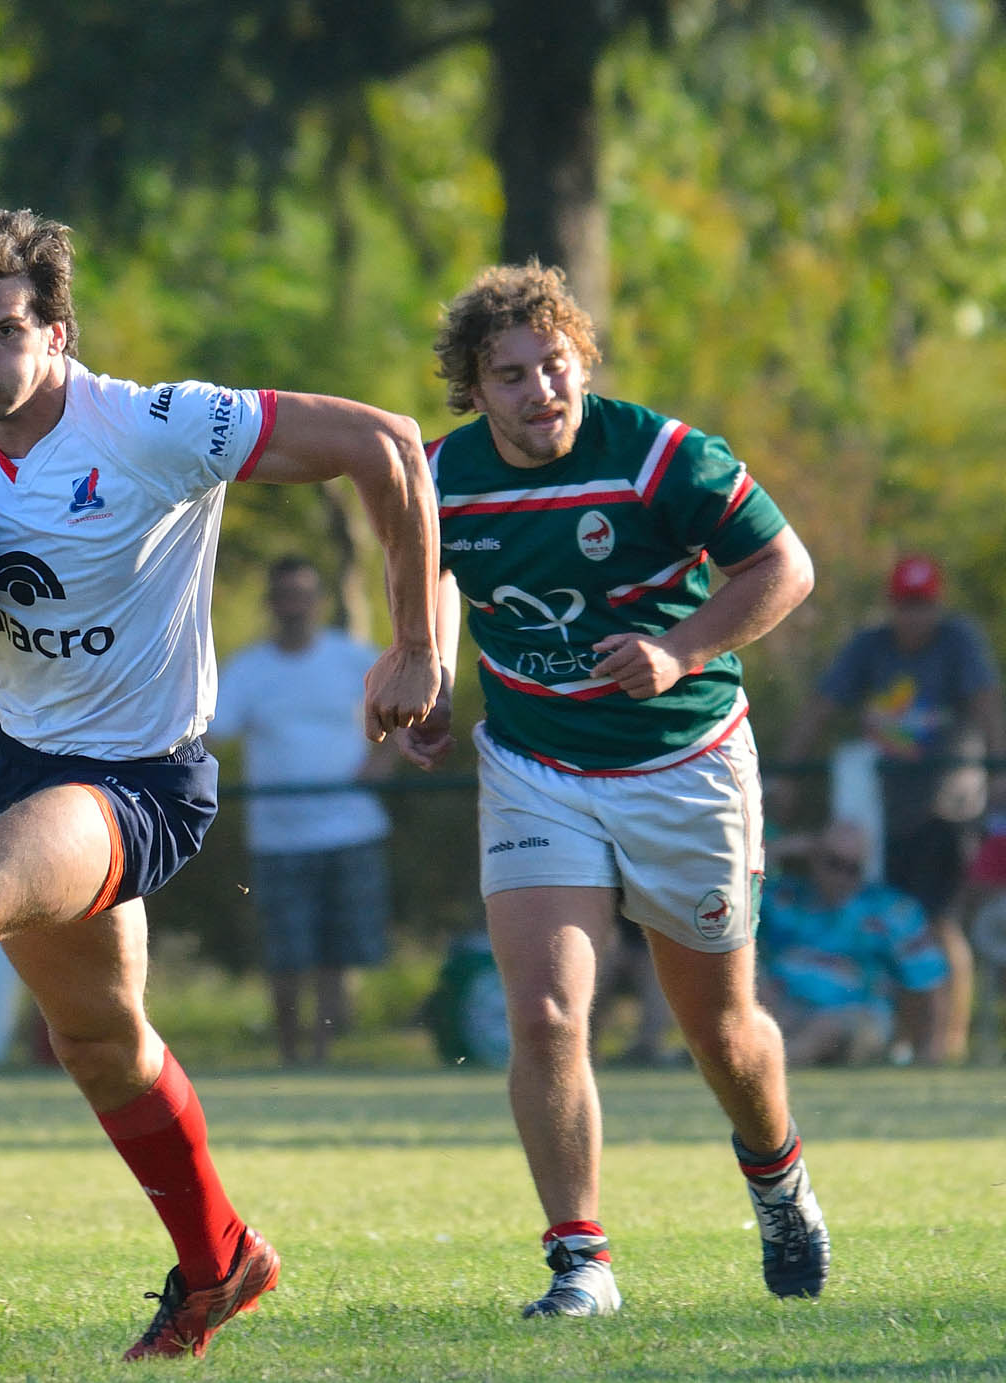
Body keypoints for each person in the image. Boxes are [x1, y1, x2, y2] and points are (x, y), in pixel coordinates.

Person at [0, 207, 439, 1359]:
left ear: (58, 332)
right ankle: (220, 1261)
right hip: (26, 774)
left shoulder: (151, 426)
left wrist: (417, 644)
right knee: (101, 1045)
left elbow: (388, 442)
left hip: (144, 782)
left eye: (6, 332)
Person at [396, 260, 826, 1317]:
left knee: (720, 1034)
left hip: (685, 764)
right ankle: (580, 1260)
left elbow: (784, 569)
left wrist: (679, 650)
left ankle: (778, 1182)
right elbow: (436, 576)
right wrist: (427, 670)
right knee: (546, 1014)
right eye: (510, 375)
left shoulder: (661, 456)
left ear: (583, 360)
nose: (539, 390)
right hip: (535, 765)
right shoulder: (442, 476)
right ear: (472, 388)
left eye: (554, 365)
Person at [775, 554, 1006, 1063]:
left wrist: (997, 772)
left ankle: (943, 1043)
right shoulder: (871, 645)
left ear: (937, 604)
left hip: (944, 806)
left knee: (936, 922)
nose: (913, 616)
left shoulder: (958, 641)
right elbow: (820, 706)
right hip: (882, 813)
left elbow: (987, 703)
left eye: (922, 605)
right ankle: (901, 1036)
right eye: (905, 605)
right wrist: (788, 774)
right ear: (892, 605)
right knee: (888, 921)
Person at [213, 555, 396, 1065]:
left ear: (319, 601)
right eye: (284, 595)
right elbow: (212, 732)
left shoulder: (353, 658)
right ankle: (289, 1052)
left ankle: (325, 1051)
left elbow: (404, 714)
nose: (294, 606)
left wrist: (380, 765)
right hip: (278, 835)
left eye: (303, 595)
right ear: (271, 603)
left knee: (338, 952)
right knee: (286, 954)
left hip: (350, 829)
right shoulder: (248, 669)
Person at [760, 821, 951, 1065]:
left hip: (857, 1017)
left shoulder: (889, 911)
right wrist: (779, 849)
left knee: (825, 1027)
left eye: (853, 869)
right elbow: (729, 894)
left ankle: (764, 1069)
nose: (842, 877)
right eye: (834, 864)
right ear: (814, 859)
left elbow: (929, 981)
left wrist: (931, 1049)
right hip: (786, 1009)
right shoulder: (782, 899)